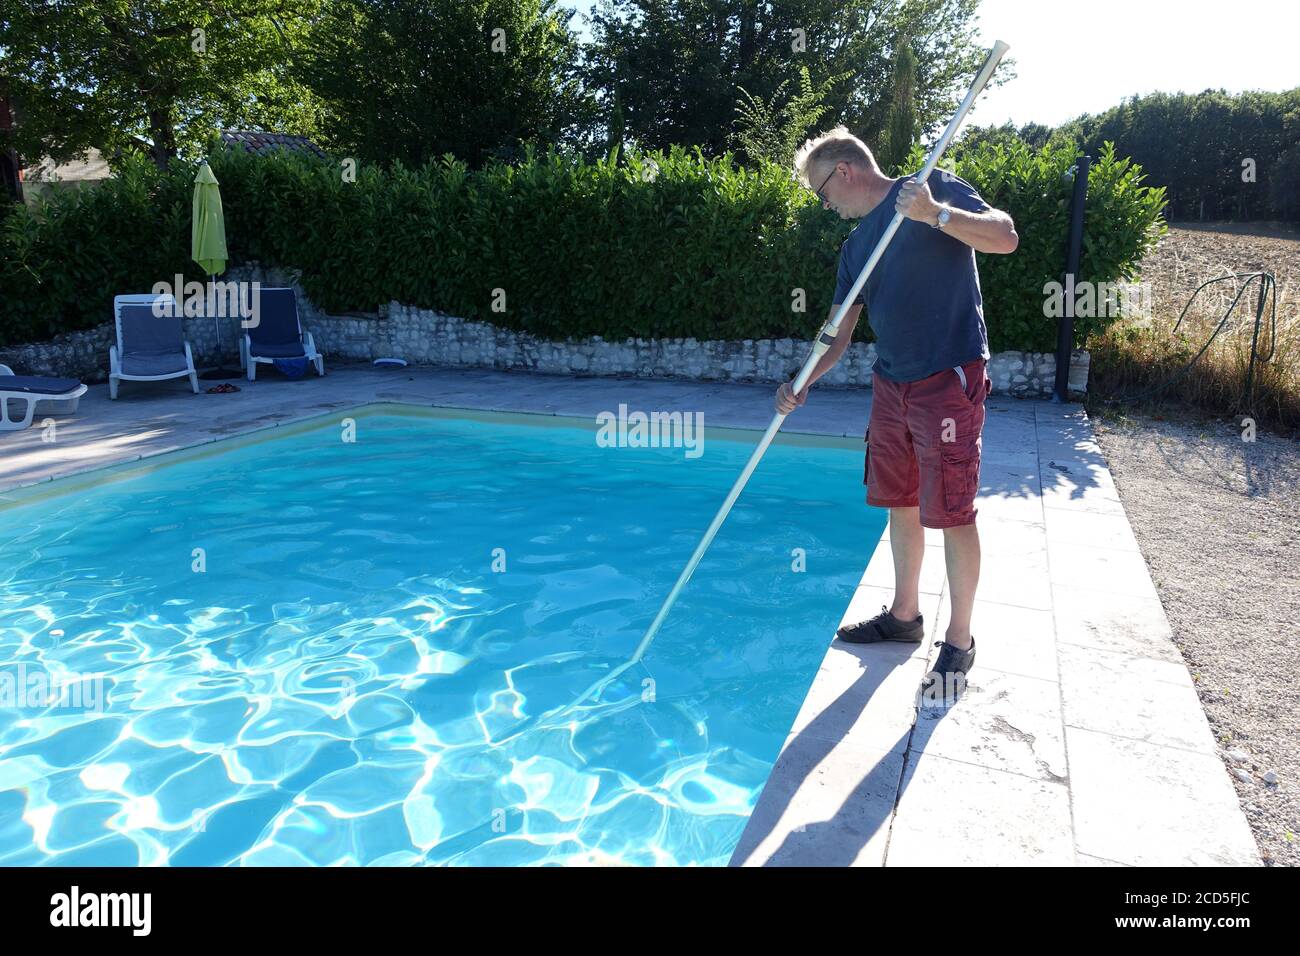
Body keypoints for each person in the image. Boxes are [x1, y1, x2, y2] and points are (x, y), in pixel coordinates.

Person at [776, 126, 1019, 692]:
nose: (825, 205)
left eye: (821, 191)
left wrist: (934, 214)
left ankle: (960, 639)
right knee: (899, 502)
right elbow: (837, 333)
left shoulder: (930, 188)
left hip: (948, 376)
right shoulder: (857, 248)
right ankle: (904, 618)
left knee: (952, 510)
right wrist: (802, 380)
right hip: (892, 384)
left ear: (844, 172)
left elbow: (1005, 237)